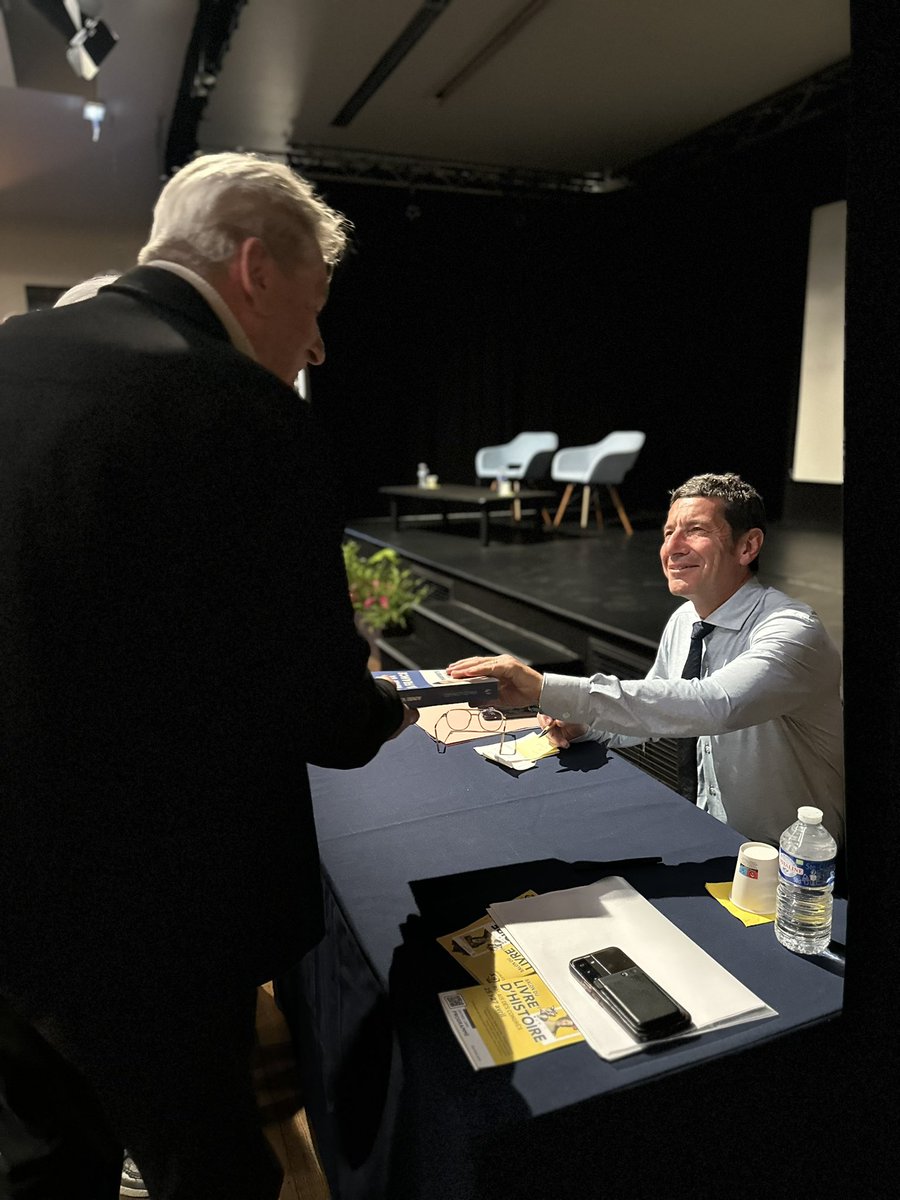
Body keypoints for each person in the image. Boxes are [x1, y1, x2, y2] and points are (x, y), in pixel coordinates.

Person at [0, 153, 418, 1200]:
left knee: (45, 1167)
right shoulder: (238, 411)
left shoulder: (7, 360)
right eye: (315, 305)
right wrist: (382, 702)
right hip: (155, 918)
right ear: (255, 270)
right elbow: (326, 715)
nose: (316, 343)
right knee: (214, 1173)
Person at [447, 472, 844, 853]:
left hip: (796, 867)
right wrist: (584, 723)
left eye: (696, 530)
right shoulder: (685, 619)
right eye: (669, 532)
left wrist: (547, 689)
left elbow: (717, 704)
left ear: (747, 547)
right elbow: (659, 716)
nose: (673, 547)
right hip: (712, 837)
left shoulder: (793, 631)